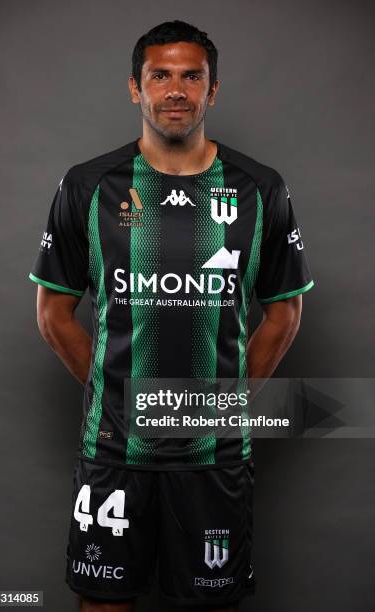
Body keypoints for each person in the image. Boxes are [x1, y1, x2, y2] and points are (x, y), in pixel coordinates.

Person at [28, 19, 314, 612]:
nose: (176, 89)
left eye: (192, 76)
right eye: (160, 75)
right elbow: (54, 313)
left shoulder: (260, 188)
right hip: (114, 451)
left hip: (215, 455)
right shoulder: (90, 184)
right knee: (103, 603)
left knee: (209, 603)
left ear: (214, 91)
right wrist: (116, 397)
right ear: (136, 88)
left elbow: (284, 314)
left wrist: (225, 402)